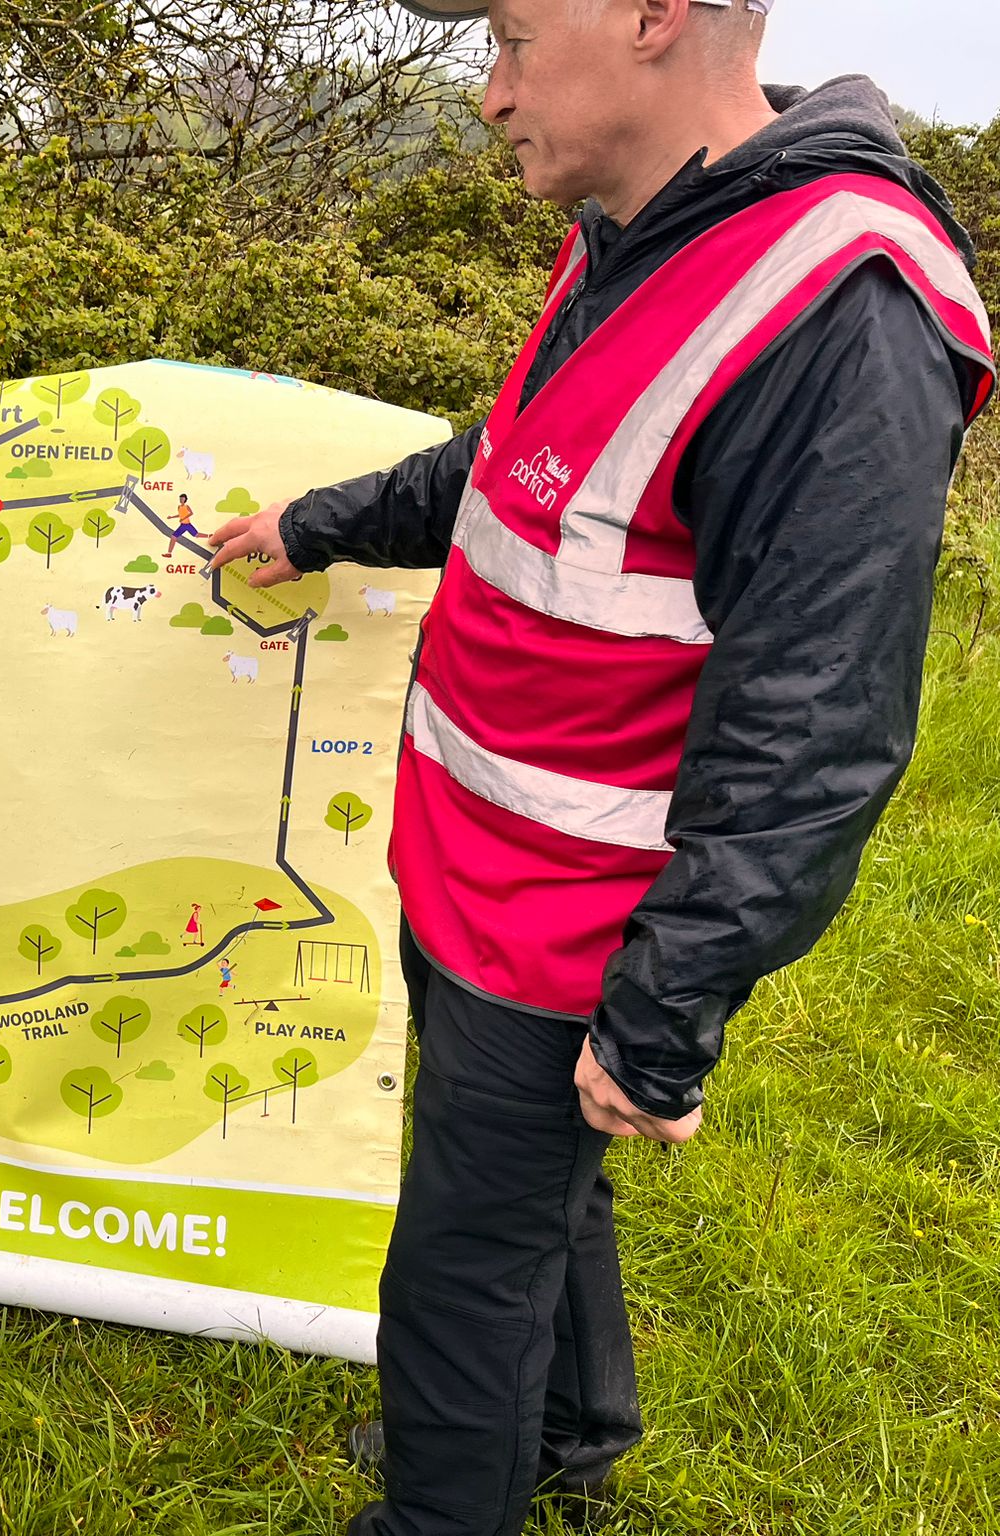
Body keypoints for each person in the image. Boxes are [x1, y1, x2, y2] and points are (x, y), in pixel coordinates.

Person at [205, 4, 992, 1533]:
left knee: (459, 1263)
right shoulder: (632, 228)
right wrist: (321, 522)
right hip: (469, 867)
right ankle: (567, 1429)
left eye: (509, 33)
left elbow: (816, 720)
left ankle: (446, 1510)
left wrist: (661, 1015)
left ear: (651, 15)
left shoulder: (838, 303)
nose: (488, 94)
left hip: (570, 920)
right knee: (519, 1205)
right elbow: (518, 467)